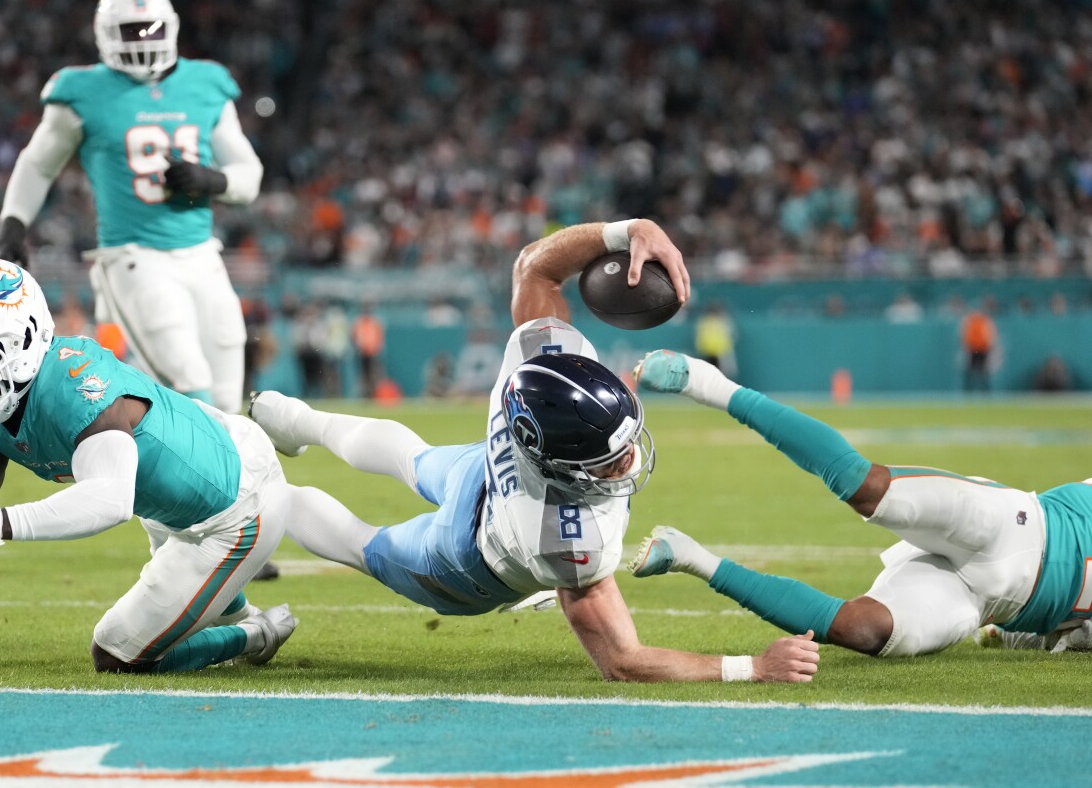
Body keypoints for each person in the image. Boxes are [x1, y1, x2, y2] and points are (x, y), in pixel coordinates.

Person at [248, 219, 820, 684]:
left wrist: (630, 231)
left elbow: (536, 265)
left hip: (485, 474)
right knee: (363, 545)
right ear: (564, 465)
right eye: (607, 460)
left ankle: (294, 420)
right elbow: (623, 660)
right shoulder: (571, 544)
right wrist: (751, 669)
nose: (628, 460)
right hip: (466, 559)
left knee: (414, 458)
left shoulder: (540, 357)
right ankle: (263, 489)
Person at [0, 259, 297, 673]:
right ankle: (223, 602)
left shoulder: (72, 383)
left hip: (235, 503)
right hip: (174, 501)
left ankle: (256, 635)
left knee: (116, 653)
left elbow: (112, 500)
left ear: (23, 338)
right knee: (173, 588)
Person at [629, 349, 1092, 657]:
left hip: (985, 603)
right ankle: (709, 383)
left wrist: (1014, 634)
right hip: (1014, 525)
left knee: (865, 630)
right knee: (864, 486)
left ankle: (692, 558)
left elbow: (1066, 633)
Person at [0, 0, 261, 419]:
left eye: (151, 29)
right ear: (105, 35)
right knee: (191, 381)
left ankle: (232, 484)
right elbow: (38, 164)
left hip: (201, 254)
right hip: (133, 255)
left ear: (171, 28)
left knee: (229, 395)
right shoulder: (82, 92)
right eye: (131, 31)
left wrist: (211, 181)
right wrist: (13, 226)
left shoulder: (206, 83)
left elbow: (250, 175)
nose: (143, 40)